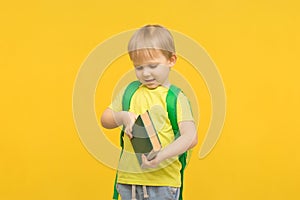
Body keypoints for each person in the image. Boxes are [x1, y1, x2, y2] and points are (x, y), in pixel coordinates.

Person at [101, 24, 198, 200]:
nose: (145, 73)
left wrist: (161, 155)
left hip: (163, 183)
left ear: (171, 60)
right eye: (139, 67)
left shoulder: (175, 98)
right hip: (127, 181)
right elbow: (105, 119)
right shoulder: (129, 92)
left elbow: (190, 137)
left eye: (153, 66)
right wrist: (123, 117)